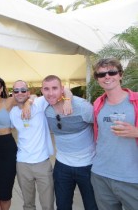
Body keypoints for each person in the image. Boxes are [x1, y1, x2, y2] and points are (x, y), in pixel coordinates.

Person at [41, 75, 98, 210]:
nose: (50, 93)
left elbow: (99, 127)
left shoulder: (82, 106)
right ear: (42, 91)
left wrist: (68, 100)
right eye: (46, 89)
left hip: (88, 165)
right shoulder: (45, 108)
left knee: (92, 206)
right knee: (63, 206)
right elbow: (29, 99)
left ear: (62, 89)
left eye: (55, 88)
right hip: (62, 166)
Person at [91, 58, 138, 210]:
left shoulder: (136, 100)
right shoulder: (98, 103)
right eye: (102, 74)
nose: (107, 77)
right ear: (97, 79)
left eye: (112, 72)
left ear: (120, 75)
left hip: (132, 177)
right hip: (101, 175)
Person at [0, 75, 33, 210]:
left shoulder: (10, 101)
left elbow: (30, 96)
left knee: (5, 192)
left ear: (2, 88)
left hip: (6, 147)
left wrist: (28, 104)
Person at [10, 80, 55, 210]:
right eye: (16, 91)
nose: (20, 93)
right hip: (22, 164)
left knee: (48, 204)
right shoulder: (12, 112)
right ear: (12, 94)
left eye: (23, 90)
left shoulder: (39, 103)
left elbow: (61, 92)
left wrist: (29, 102)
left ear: (28, 92)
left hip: (42, 163)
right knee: (28, 204)